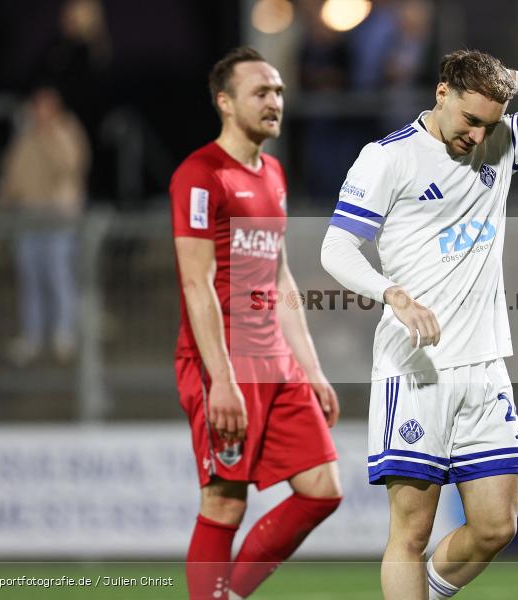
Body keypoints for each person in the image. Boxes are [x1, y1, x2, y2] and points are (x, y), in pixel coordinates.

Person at [320, 49, 518, 599]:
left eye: (488, 124)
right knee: (412, 531)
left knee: (496, 526)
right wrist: (390, 293)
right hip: (415, 369)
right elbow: (336, 248)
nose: (477, 136)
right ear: (441, 92)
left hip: (487, 367)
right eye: (470, 120)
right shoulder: (386, 158)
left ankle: (419, 592)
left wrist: (513, 80)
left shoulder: (504, 142)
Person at [170, 47, 342, 600]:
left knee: (322, 490)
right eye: (261, 93)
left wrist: (312, 370)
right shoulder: (200, 175)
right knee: (225, 501)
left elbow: (281, 274)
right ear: (225, 103)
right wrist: (219, 378)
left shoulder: (272, 172)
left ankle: (228, 596)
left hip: (277, 360)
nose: (275, 102)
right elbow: (197, 283)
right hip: (224, 360)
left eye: (279, 92)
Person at [0, 86, 90, 366]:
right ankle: (33, 335)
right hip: (29, 215)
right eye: (37, 106)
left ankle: (64, 333)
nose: (39, 112)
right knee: (30, 277)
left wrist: (46, 135)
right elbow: (14, 171)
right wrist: (3, 197)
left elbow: (68, 165)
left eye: (45, 106)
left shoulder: (67, 132)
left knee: (59, 274)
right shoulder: (25, 136)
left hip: (59, 217)